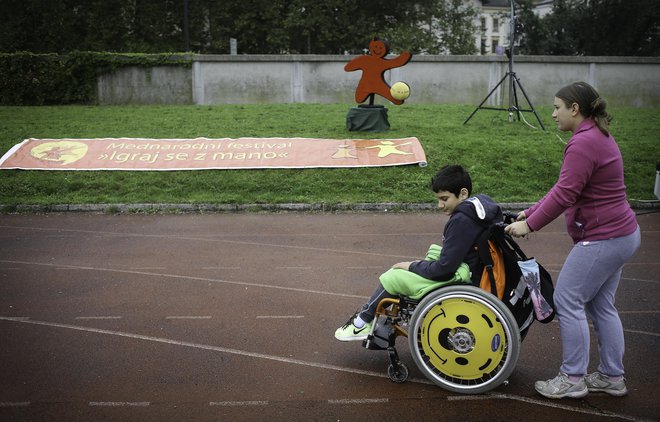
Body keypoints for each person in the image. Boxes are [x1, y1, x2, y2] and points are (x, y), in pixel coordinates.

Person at [505, 81, 641, 399]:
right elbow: (565, 186)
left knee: (567, 300)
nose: (553, 114)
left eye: (557, 107)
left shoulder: (583, 143)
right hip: (622, 234)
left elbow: (566, 193)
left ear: (574, 109)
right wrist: (530, 212)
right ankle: (611, 376)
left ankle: (573, 377)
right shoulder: (595, 135)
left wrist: (531, 226)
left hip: (603, 238)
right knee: (601, 305)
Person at [335, 164, 503, 341]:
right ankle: (366, 318)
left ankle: (362, 322)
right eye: (438, 199)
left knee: (394, 276)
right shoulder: (480, 209)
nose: (440, 205)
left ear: (463, 194)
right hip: (476, 268)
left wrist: (411, 266)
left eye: (444, 199)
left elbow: (444, 269)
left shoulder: (461, 220)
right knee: (428, 256)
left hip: (465, 277)